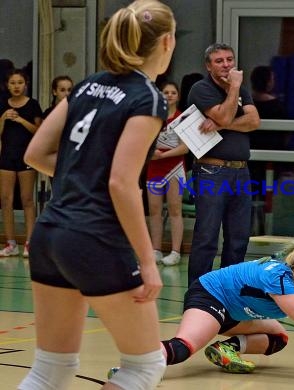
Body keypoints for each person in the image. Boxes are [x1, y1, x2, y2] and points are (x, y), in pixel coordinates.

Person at [18, 1, 176, 389]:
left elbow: (34, 154)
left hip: (50, 232)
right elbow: (121, 183)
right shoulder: (148, 97)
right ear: (168, 42)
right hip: (95, 237)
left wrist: (80, 176)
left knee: (49, 370)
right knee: (144, 366)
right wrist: (147, 260)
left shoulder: (88, 84)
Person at [110, 242, 294, 377]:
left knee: (278, 338)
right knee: (184, 347)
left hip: (236, 312)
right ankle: (131, 367)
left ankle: (225, 349)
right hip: (211, 297)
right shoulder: (278, 277)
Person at [186, 43, 260, 286]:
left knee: (239, 236)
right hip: (211, 170)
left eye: (229, 59)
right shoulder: (201, 89)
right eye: (219, 61)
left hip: (241, 170)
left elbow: (254, 121)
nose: (227, 65)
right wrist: (234, 88)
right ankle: (198, 292)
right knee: (207, 236)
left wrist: (219, 123)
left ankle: (230, 290)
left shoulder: (241, 89)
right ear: (208, 66)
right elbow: (229, 115)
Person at [0, 69, 43, 258]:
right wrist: (3, 118)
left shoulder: (33, 105)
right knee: (6, 200)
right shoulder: (2, 104)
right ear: (7, 85)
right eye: (12, 83)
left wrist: (20, 119)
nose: (16, 86)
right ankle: (10, 243)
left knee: (27, 199)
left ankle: (30, 242)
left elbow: (39, 131)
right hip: (6, 156)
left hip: (26, 156)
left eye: (19, 83)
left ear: (25, 85)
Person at [146, 81, 188, 266]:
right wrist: (150, 152)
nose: (169, 95)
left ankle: (175, 251)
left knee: (175, 209)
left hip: (175, 168)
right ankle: (155, 249)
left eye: (173, 92)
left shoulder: (183, 118)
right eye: (166, 92)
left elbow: (185, 148)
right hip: (154, 169)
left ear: (178, 96)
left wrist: (164, 155)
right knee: (154, 210)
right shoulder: (153, 117)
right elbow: (144, 141)